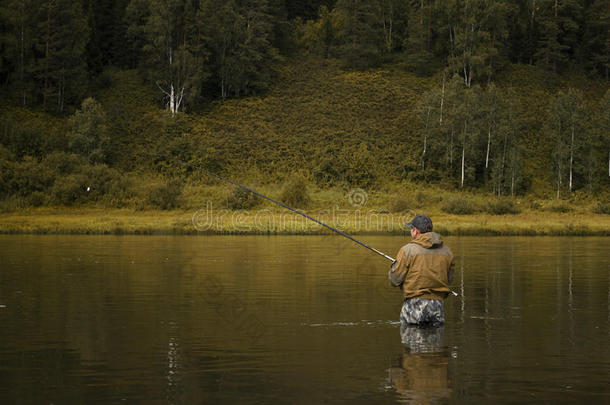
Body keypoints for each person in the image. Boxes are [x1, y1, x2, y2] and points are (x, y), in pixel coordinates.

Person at [389, 214, 454, 326]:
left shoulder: (407, 250)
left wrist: (394, 266)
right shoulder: (448, 252)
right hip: (437, 307)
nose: (411, 232)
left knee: (412, 339)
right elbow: (449, 279)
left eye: (411, 229)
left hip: (413, 306)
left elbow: (394, 280)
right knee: (435, 342)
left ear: (416, 231)